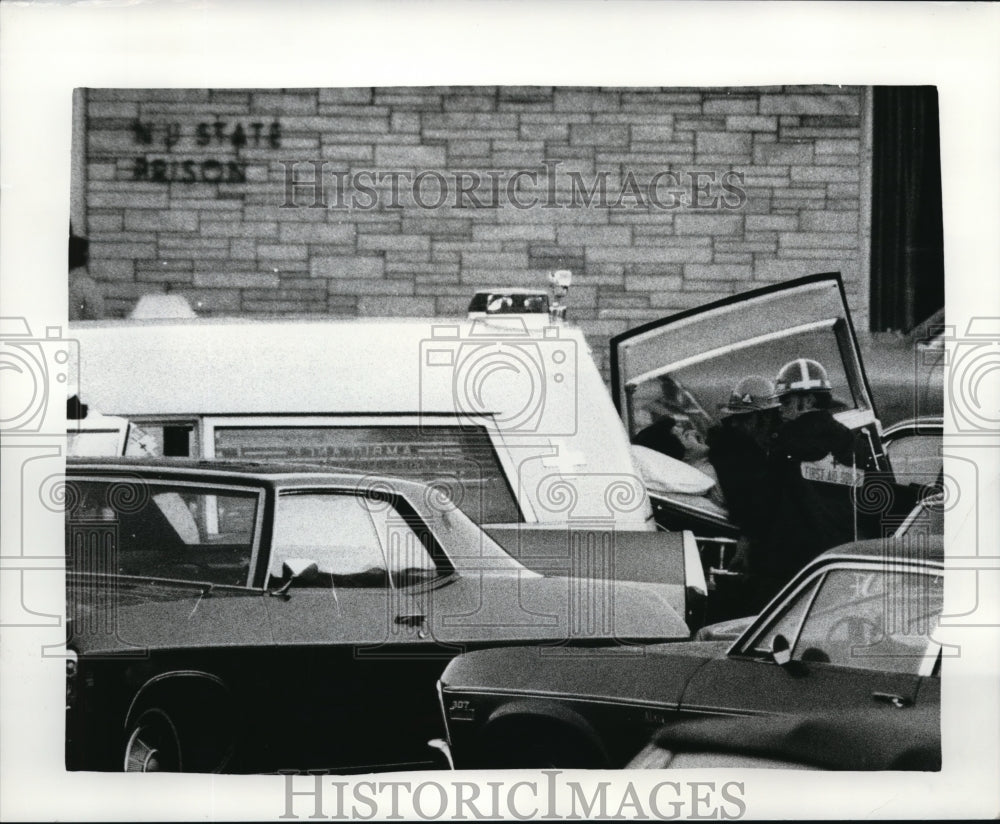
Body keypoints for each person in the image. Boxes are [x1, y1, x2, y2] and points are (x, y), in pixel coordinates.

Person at [754, 357, 865, 605]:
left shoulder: (784, 440)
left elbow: (766, 504)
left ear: (809, 400)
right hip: (838, 559)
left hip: (791, 560)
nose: (780, 407)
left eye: (786, 400)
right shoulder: (851, 441)